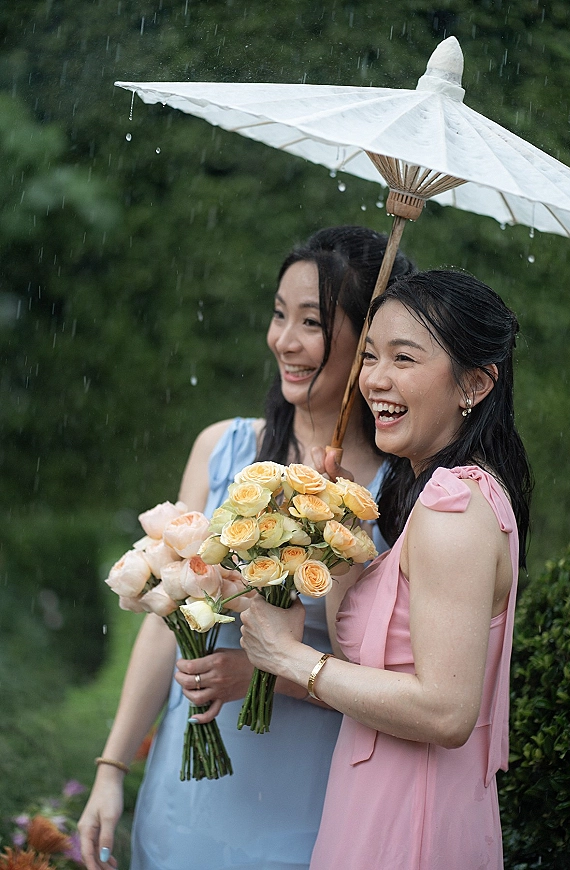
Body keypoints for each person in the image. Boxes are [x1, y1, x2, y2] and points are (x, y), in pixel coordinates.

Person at [78, 225, 414, 870]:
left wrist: (269, 675)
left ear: (367, 342)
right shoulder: (222, 448)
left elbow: (401, 685)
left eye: (311, 322)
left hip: (310, 805)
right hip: (188, 801)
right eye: (279, 314)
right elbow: (163, 622)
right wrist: (112, 767)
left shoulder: (397, 495)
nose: (284, 341)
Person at [239, 269, 533, 870]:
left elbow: (446, 712)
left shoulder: (454, 507)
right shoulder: (436, 494)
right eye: (370, 356)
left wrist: (292, 659)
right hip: (374, 802)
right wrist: (333, 528)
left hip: (411, 824)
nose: (375, 379)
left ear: (474, 384)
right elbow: (380, 663)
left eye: (404, 358)